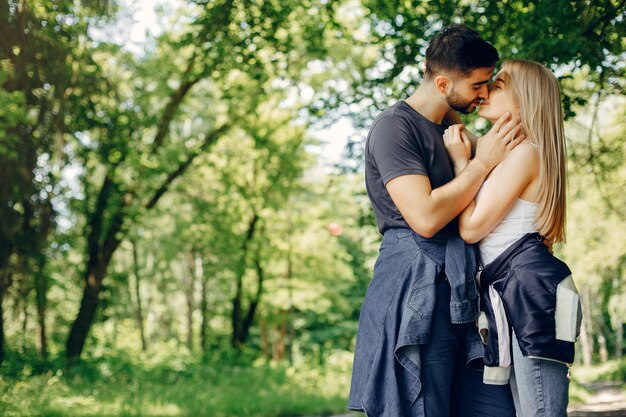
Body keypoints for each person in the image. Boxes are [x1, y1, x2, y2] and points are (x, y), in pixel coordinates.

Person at [348, 24, 523, 417]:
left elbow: (506, 171)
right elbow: (424, 217)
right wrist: (479, 164)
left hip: (462, 288)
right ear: (443, 82)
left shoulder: (451, 128)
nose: (485, 93)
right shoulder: (395, 128)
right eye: (478, 85)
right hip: (416, 288)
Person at [442, 59, 582, 417]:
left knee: (540, 411)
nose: (486, 91)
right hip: (517, 291)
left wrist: (462, 164)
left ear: (524, 100)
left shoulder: (525, 154)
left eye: (499, 85)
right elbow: (452, 118)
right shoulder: (513, 153)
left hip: (530, 294)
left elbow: (472, 228)